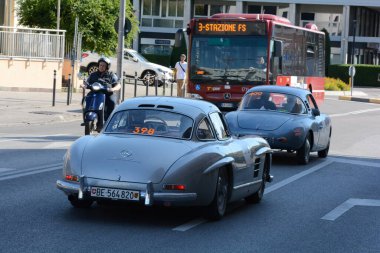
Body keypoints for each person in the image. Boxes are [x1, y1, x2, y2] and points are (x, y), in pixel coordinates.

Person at [83, 57, 121, 125]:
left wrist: (113, 89)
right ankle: (86, 116)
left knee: (112, 102)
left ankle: (109, 121)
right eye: (100, 65)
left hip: (107, 94)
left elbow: (118, 85)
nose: (101, 67)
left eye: (104, 65)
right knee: (85, 99)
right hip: (94, 92)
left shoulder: (111, 75)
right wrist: (84, 85)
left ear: (107, 67)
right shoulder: (93, 74)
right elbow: (86, 82)